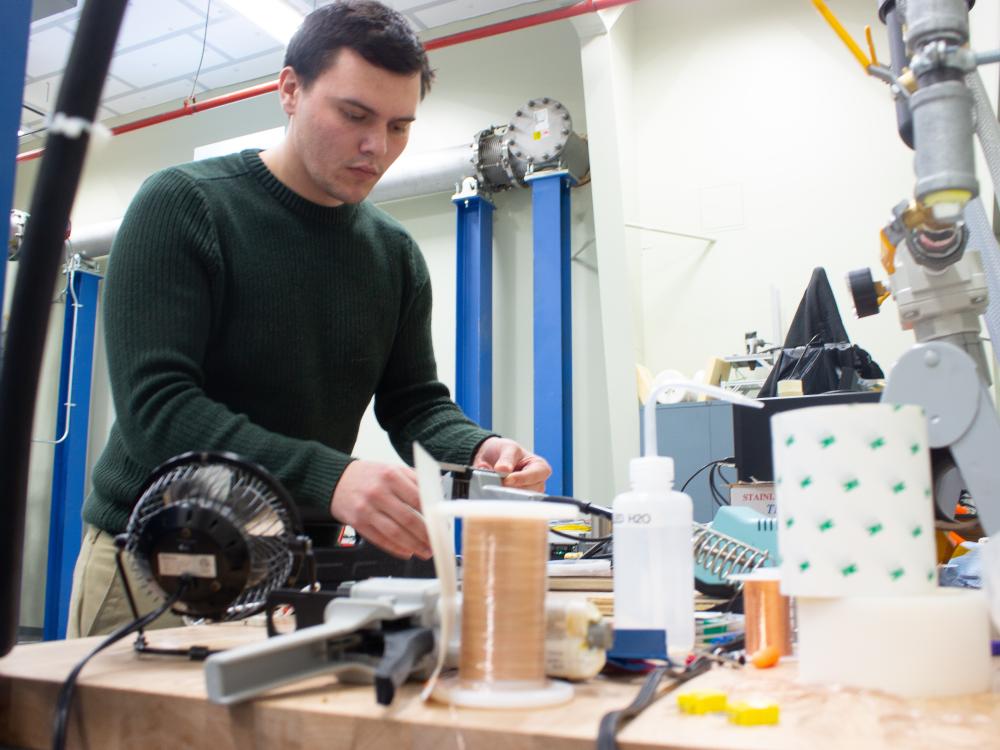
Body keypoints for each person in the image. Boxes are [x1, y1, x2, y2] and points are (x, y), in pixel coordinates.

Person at [67, 0, 551, 638]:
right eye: (354, 114)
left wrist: (481, 449)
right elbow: (159, 412)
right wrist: (334, 479)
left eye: (399, 126)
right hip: (157, 560)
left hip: (291, 573)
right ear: (290, 89)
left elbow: (413, 403)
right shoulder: (183, 206)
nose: (376, 146)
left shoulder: (394, 255)